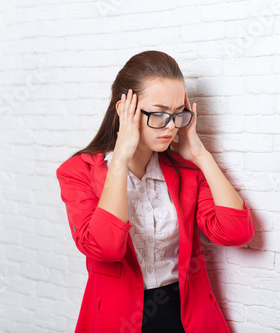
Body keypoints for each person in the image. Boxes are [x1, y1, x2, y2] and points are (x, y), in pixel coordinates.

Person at [56, 50, 255, 333]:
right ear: (125, 109)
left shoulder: (184, 171)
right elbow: (105, 248)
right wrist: (120, 161)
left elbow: (236, 233)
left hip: (187, 313)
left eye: (178, 114)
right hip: (118, 317)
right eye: (159, 114)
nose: (172, 126)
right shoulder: (78, 172)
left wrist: (199, 153)